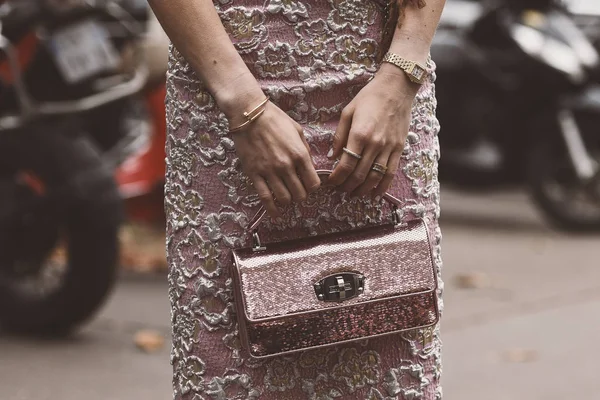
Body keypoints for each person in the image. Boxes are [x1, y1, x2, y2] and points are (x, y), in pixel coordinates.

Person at [149, 0, 445, 398]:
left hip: (383, 83)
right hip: (223, 85)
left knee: (392, 335)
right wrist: (242, 104)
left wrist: (402, 73)